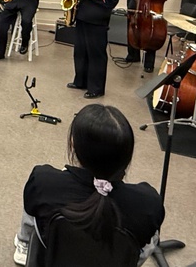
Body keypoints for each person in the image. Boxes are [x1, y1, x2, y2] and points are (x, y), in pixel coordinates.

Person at [12, 104, 164, 266]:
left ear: (73, 146)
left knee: (35, 203)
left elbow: (34, 215)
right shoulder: (149, 204)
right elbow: (140, 250)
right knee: (151, 236)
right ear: (127, 155)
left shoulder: (44, 181)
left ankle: (24, 244)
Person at [69, 0, 122, 98]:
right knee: (80, 52)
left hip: (97, 21)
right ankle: (80, 81)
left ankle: (96, 88)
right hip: (83, 17)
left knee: (96, 55)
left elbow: (111, 1)